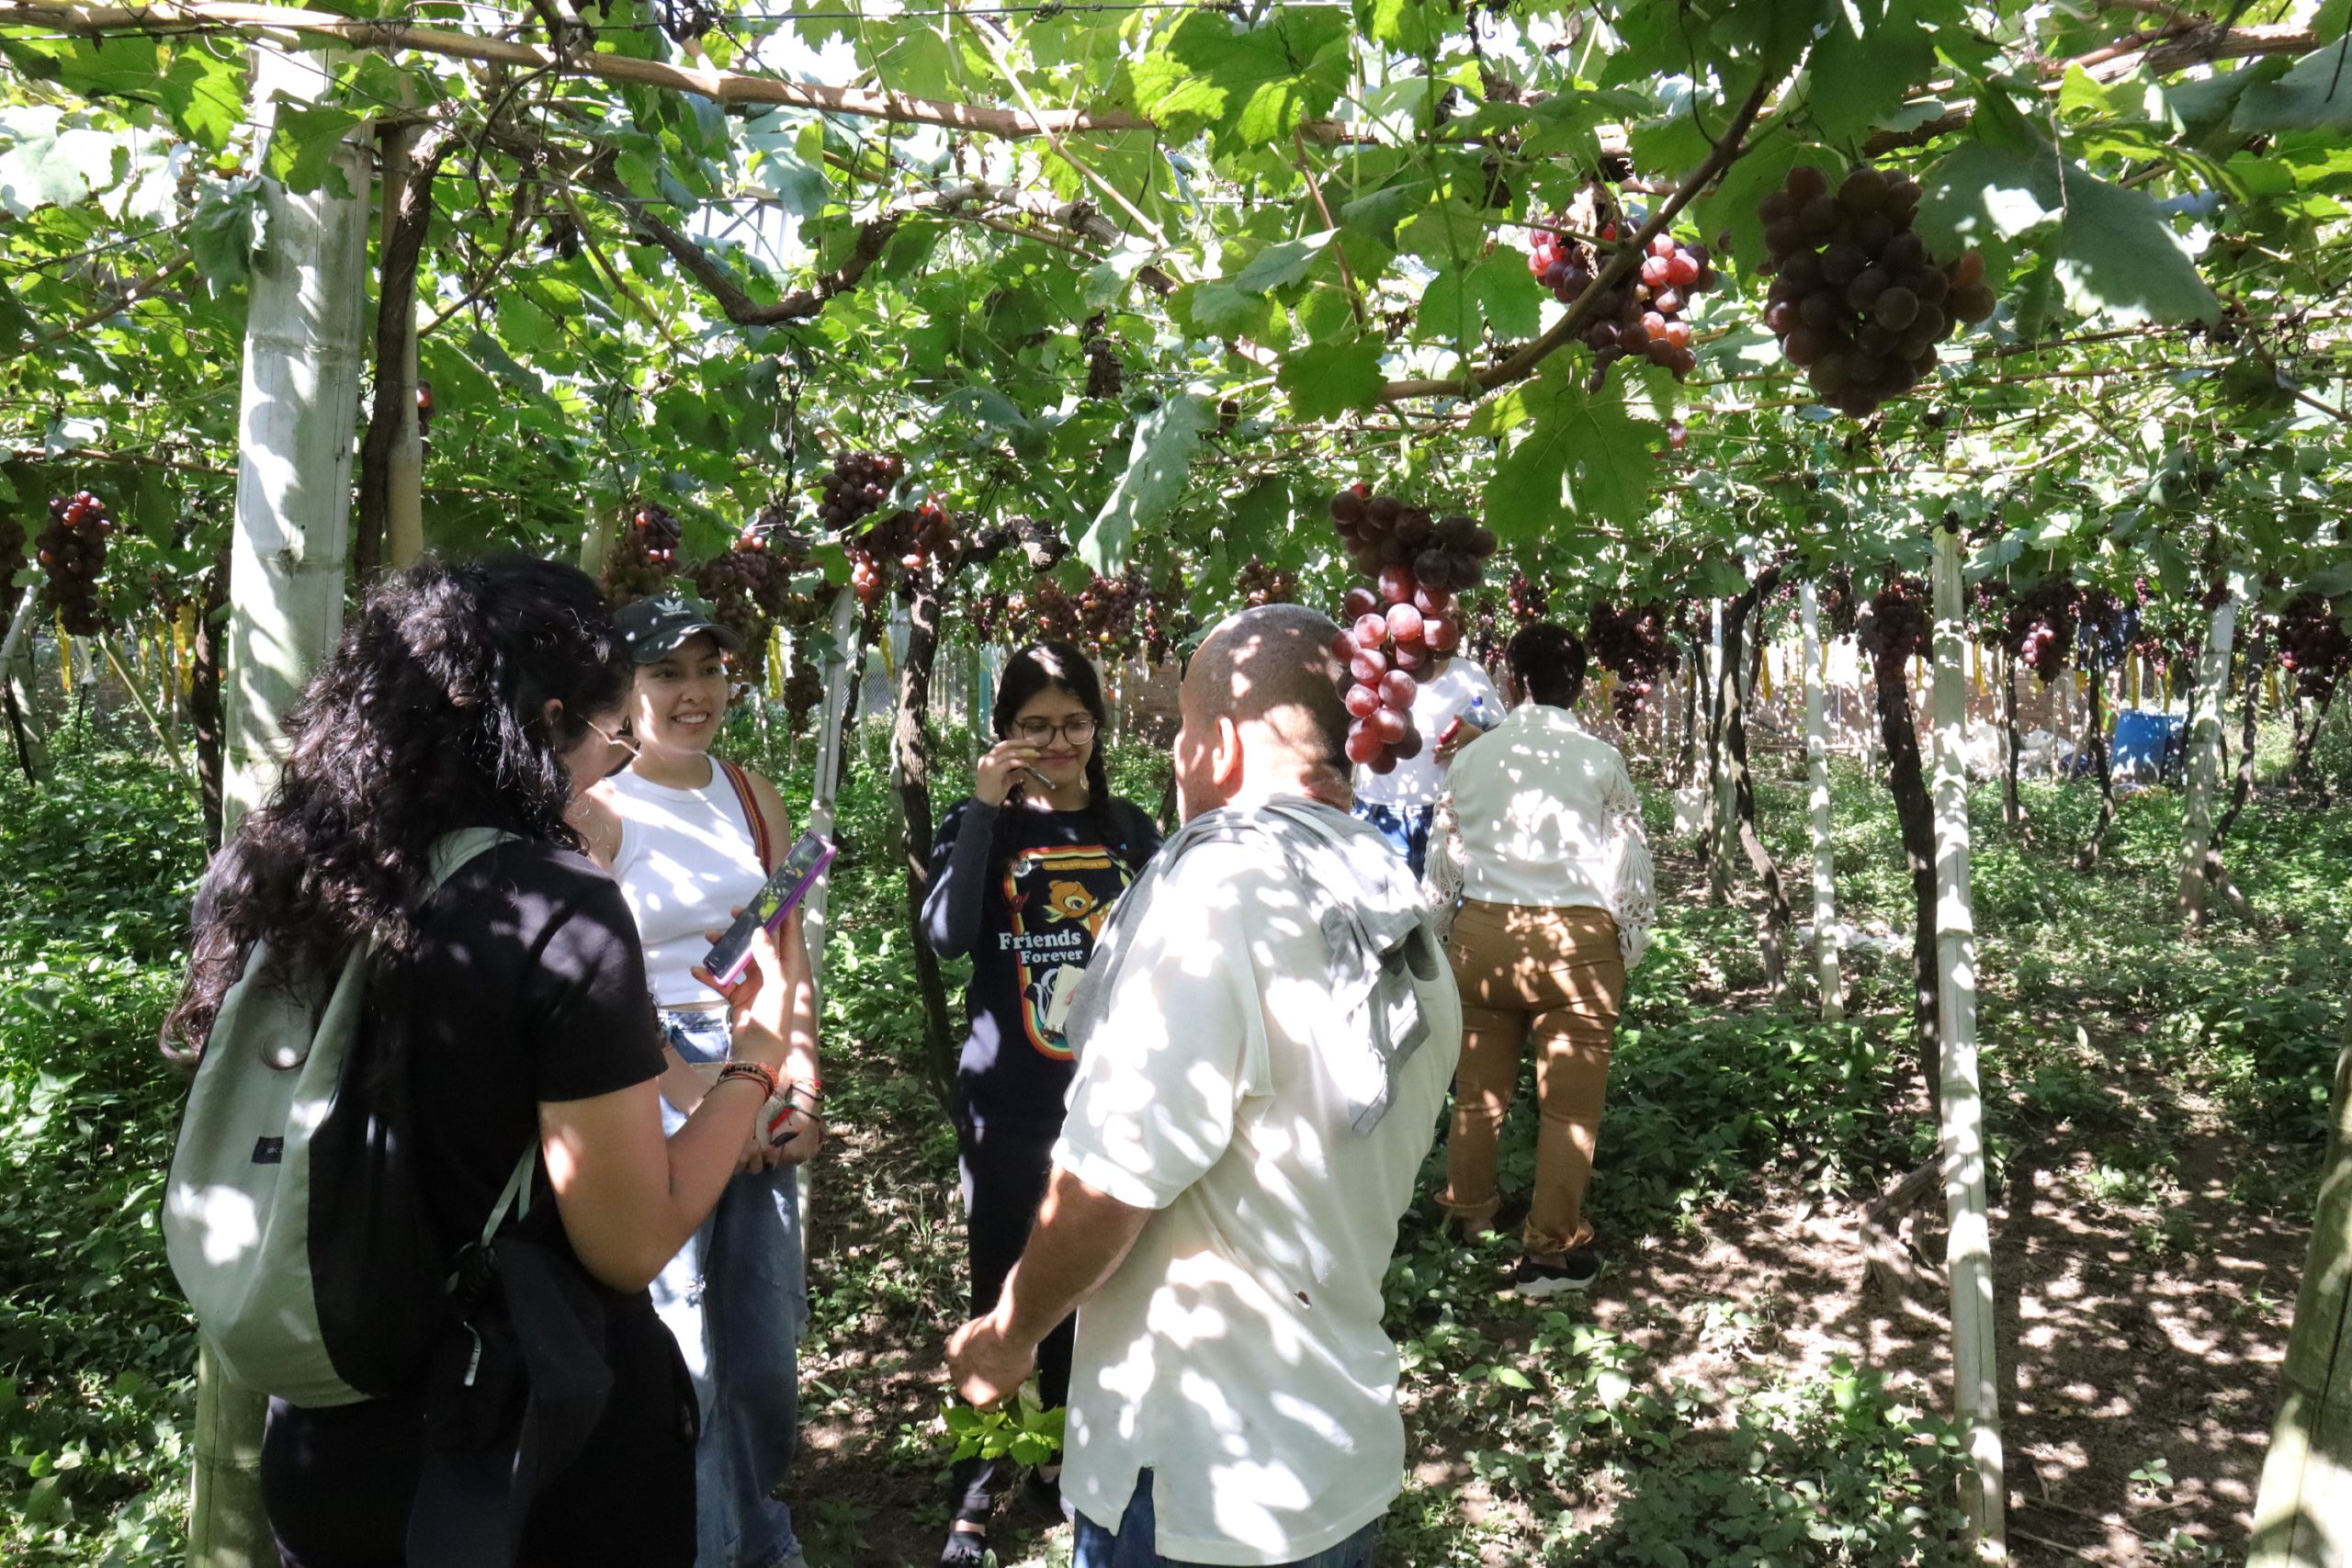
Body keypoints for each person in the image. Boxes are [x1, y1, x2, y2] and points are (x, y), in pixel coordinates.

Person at [163, 558, 801, 1567]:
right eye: (611, 734)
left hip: (332, 1429)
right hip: (521, 1440)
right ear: (550, 723)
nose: (611, 765)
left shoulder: (274, 868)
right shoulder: (554, 907)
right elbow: (631, 1240)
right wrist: (754, 1064)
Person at [946, 604, 1462, 1568]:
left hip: (1195, 1480)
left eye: (1184, 732)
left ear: (1220, 743)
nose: (1178, 756)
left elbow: (1110, 1182)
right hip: (1335, 1443)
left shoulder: (1213, 894)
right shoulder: (1384, 885)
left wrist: (1008, 1336)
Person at [570, 592, 823, 1568]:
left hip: (752, 1054)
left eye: (709, 670)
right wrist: (692, 1091)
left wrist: (798, 1080)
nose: (693, 693)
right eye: (666, 673)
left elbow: (785, 946)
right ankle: (699, 1546)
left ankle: (759, 1534)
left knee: (762, 1339)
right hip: (652, 1071)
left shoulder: (753, 795)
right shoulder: (598, 812)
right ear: (624, 690)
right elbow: (593, 976)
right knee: (684, 1348)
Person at [922, 640, 1161, 1566]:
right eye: (1035, 726)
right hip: (1009, 1104)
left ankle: (1060, 1459)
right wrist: (985, 808)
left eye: (1073, 723)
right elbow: (947, 937)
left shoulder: (1131, 828)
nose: (1058, 742)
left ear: (1097, 727)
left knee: (1090, 1288)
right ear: (1003, 733)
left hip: (1109, 1102)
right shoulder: (977, 824)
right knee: (1000, 1294)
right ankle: (975, 1491)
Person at [1423, 620, 1655, 1297]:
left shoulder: (1473, 759)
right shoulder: (1599, 759)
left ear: (1510, 679)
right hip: (1576, 948)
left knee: (1478, 1094)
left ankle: (1470, 1219)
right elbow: (1629, 865)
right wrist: (1627, 944)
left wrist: (1444, 935)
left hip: (1484, 941)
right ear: (1578, 686)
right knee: (1569, 1109)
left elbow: (1444, 863)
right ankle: (1549, 1255)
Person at [1351, 638, 1500, 876]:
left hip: (1444, 818)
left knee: (1442, 899)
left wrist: (1473, 738)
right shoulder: (1375, 673)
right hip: (1378, 814)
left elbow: (1499, 742)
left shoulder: (1469, 675)